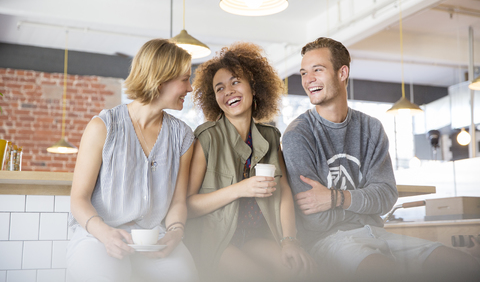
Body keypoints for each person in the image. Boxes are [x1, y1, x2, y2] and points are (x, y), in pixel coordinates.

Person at [282, 37, 480, 282]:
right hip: (328, 241)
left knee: (464, 264)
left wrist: (335, 198)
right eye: (303, 72)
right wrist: (363, 204)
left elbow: (386, 196)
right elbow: (315, 218)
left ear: (342, 72)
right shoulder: (298, 134)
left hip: (377, 232)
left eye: (317, 70)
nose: (308, 79)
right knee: (386, 272)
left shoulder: (370, 128)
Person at [66, 39, 199, 282]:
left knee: (186, 275)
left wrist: (175, 232)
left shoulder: (183, 136)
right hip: (97, 235)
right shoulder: (103, 126)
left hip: (152, 238)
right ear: (160, 79)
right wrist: (105, 234)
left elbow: (178, 201)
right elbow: (78, 199)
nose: (190, 88)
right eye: (184, 79)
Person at [185, 42, 317, 282]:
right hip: (219, 241)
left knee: (297, 270)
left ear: (253, 87)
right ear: (214, 98)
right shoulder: (206, 137)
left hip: (258, 236)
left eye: (236, 82)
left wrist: (289, 241)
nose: (228, 91)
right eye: (220, 88)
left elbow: (284, 191)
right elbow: (188, 206)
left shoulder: (270, 136)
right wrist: (240, 189)